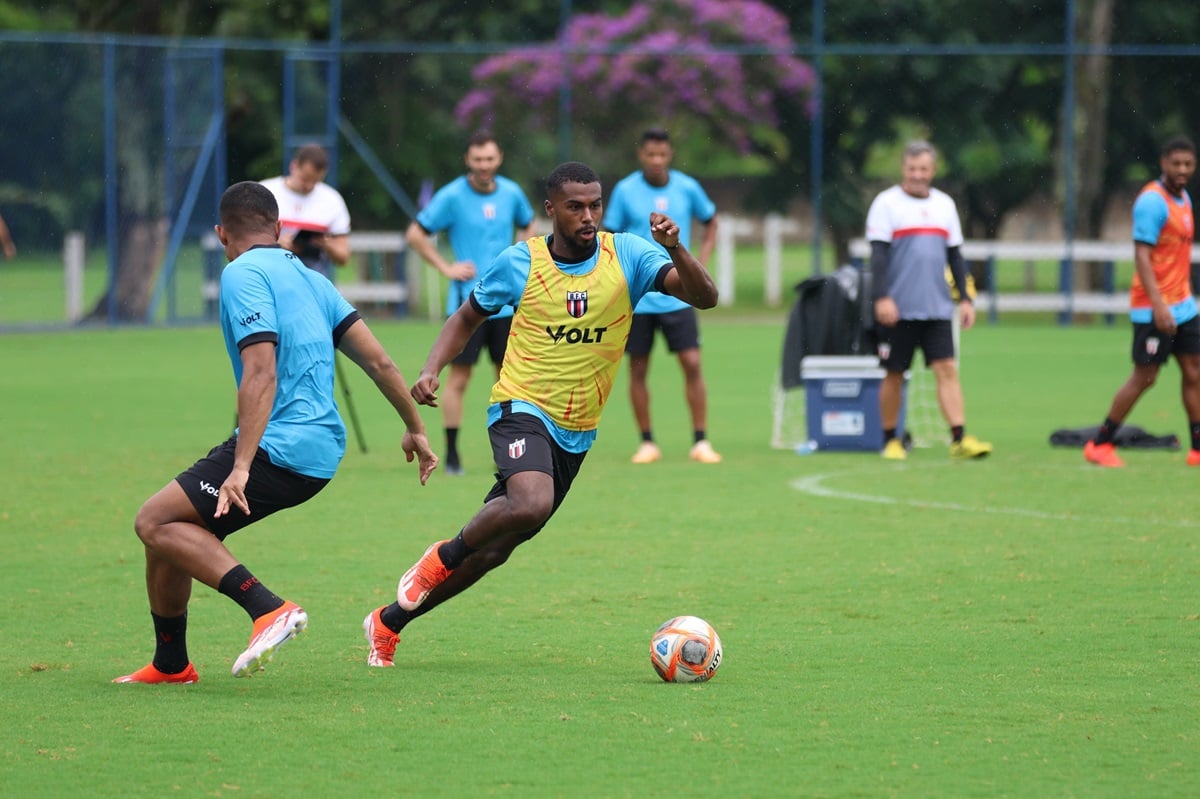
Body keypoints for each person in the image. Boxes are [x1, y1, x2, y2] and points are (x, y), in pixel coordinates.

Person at [360, 161, 719, 668]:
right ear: (551, 210)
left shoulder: (631, 255)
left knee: (496, 550)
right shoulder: (520, 262)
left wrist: (676, 248)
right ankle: (438, 558)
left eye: (595, 204)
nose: (588, 215)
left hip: (577, 430)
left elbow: (706, 298)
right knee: (528, 503)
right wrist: (432, 367)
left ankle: (388, 622)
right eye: (575, 207)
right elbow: (467, 315)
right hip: (520, 406)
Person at [114, 181, 437, 685]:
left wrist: (240, 467)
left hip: (277, 447)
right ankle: (171, 665)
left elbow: (260, 372)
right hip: (321, 451)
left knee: (153, 520)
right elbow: (380, 361)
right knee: (175, 532)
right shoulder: (312, 278)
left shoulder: (240, 273)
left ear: (223, 234)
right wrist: (415, 428)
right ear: (279, 229)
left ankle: (269, 609)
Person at [405, 131, 537, 475]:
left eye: (490, 159)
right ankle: (451, 455)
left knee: (510, 381)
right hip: (468, 304)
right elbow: (415, 234)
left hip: (509, 306)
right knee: (459, 379)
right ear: (468, 160)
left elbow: (528, 224)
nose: (484, 166)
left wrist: (522, 256)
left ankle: (511, 451)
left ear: (500, 159)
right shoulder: (452, 196)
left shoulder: (511, 193)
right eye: (478, 159)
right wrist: (446, 266)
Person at [867, 139, 992, 460]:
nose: (917, 175)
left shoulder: (945, 205)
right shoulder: (886, 204)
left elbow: (956, 256)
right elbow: (878, 258)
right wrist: (882, 298)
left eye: (923, 169)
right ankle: (890, 439)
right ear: (903, 169)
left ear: (933, 171)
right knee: (895, 373)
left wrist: (965, 299)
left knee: (947, 368)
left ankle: (959, 438)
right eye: (912, 169)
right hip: (898, 308)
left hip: (936, 307)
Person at [605, 128, 722, 464]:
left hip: (677, 294)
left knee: (692, 363)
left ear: (669, 155)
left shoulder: (686, 187)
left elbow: (711, 220)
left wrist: (701, 260)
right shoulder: (626, 190)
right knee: (638, 369)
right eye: (650, 155)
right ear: (641, 155)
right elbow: (610, 236)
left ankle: (700, 440)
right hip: (639, 297)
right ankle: (647, 442)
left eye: (662, 155)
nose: (656, 160)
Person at [1084, 136, 1200, 468]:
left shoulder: (1185, 199)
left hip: (1184, 305)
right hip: (1154, 307)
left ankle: (1197, 449)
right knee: (1145, 376)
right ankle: (1101, 444)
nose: (1182, 170)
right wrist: (1159, 305)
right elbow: (1142, 257)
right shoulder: (1152, 202)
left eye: (1188, 164)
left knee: (1194, 371)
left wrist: (1184, 296)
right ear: (1163, 163)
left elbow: (1177, 255)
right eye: (1176, 163)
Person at [260, 143, 352, 278]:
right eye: (305, 179)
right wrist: (276, 245)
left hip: (313, 283)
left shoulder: (333, 200)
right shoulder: (265, 192)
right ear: (294, 166)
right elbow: (246, 242)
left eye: (315, 181)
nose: (309, 186)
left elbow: (343, 257)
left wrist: (325, 244)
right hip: (271, 277)